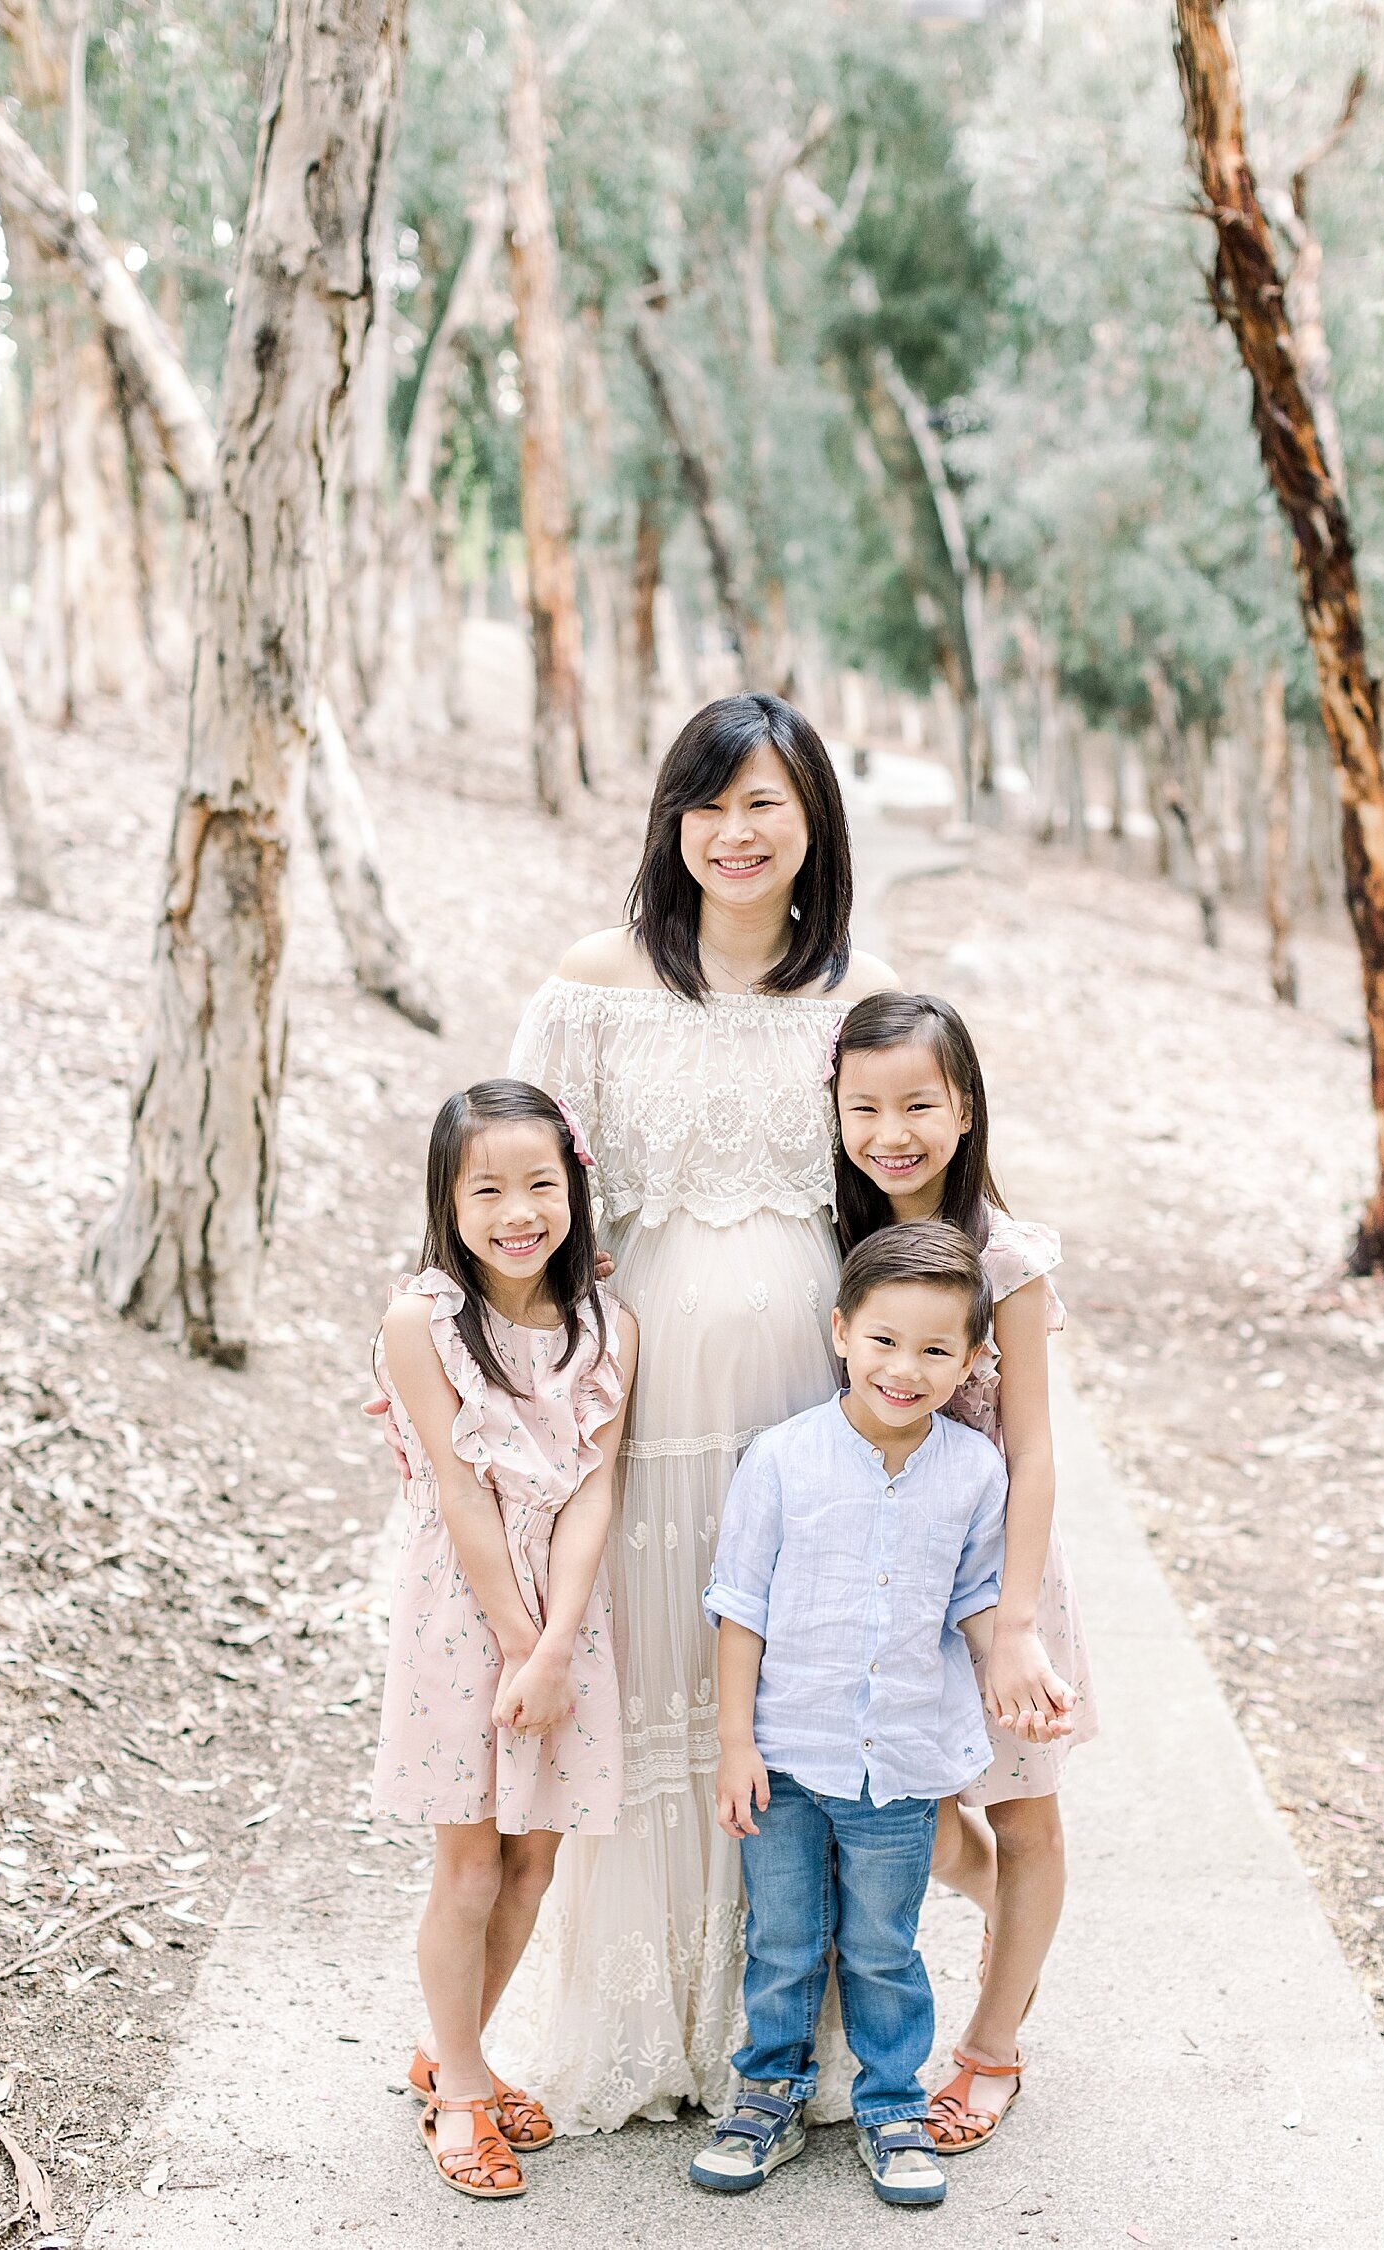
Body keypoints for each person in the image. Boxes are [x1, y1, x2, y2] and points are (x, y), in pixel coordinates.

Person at [495, 692, 895, 2131]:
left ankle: (787, 2034)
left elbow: (921, 1179)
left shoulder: (859, 992)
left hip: (809, 1411)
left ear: (813, 828)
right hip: (642, 1418)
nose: (737, 832)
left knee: (789, 1705)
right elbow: (507, 1182)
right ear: (674, 820)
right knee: (658, 1692)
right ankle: (646, 2026)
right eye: (711, 804)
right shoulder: (595, 985)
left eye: (767, 805)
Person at [691, 1224, 1007, 2208]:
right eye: (883, 1340)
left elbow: (977, 1596)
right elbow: (739, 1607)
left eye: (933, 1350)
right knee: (782, 1937)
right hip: (784, 1756)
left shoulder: (973, 1470)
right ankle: (767, 2097)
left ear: (969, 1361)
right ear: (840, 1332)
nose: (904, 1369)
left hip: (899, 1763)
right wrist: (735, 1743)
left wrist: (1011, 1675)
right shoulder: (782, 1459)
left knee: (883, 1942)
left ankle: (892, 2106)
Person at [831, 991, 1097, 2154]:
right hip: (883, 1577)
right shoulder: (828, 1238)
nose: (893, 1131)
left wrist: (1018, 1625)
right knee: (925, 1818)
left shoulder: (1006, 1259)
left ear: (966, 1107)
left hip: (998, 1579)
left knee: (1022, 1810)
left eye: (920, 1104)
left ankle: (994, 2048)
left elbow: (1033, 1446)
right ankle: (1008, 1924)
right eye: (866, 1106)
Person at [371, 1079, 638, 2199]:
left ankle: (453, 2059)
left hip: (566, 1618)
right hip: (463, 1610)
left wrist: (559, 1642)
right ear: (448, 1200)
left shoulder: (608, 1327)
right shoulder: (420, 1321)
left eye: (540, 1183)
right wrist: (521, 1641)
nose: (517, 1211)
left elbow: (593, 1493)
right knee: (470, 1862)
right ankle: (467, 2092)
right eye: (487, 1189)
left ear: (574, 1186)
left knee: (536, 1856)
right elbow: (464, 1497)